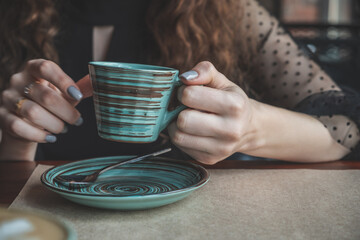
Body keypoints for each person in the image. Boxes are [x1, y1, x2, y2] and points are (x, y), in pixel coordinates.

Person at [0, 0, 359, 164]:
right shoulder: (13, 16)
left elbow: (346, 128)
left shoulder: (229, 11)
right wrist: (15, 141)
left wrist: (252, 129)